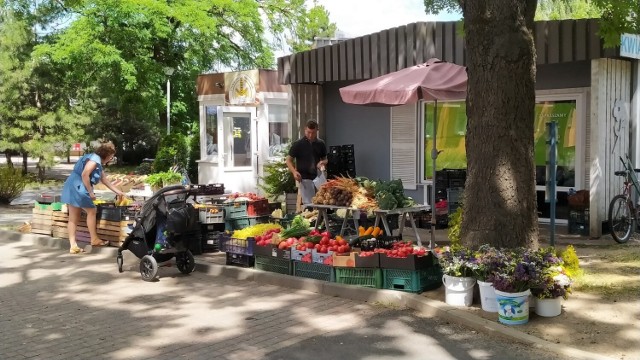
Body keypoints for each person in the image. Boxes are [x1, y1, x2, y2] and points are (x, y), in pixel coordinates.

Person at [61, 141, 125, 254]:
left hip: (72, 184)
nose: (111, 158)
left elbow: (104, 180)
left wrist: (119, 192)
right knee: (92, 211)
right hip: (79, 186)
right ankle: (94, 239)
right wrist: (90, 192)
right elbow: (85, 174)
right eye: (111, 156)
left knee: (73, 217)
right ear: (106, 154)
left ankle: (73, 245)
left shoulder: (94, 159)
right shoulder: (95, 159)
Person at [286, 120, 328, 206]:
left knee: (320, 203)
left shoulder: (321, 143)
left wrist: (322, 162)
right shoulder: (298, 144)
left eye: (313, 133)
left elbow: (325, 159)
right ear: (305, 130)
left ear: (317, 130)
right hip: (303, 178)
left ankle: (319, 218)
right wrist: (294, 172)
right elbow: (288, 160)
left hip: (318, 177)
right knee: (306, 205)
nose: (311, 135)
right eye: (308, 132)